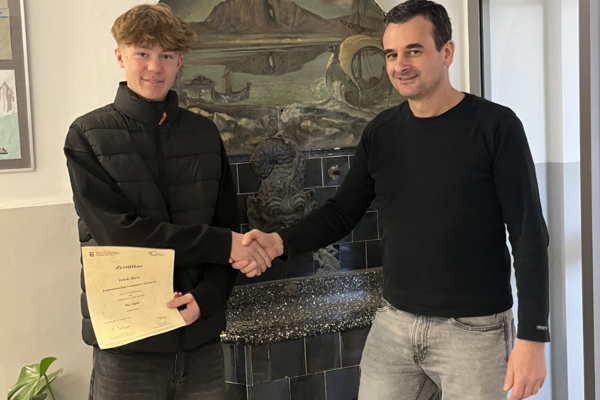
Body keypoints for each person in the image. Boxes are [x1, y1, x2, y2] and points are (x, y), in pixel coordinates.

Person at [235, 1, 549, 399]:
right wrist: (279, 242)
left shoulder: (496, 126)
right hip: (395, 324)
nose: (401, 65)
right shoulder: (380, 132)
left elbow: (528, 233)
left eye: (413, 51)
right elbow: (342, 212)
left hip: (474, 331)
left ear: (447, 52)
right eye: (391, 54)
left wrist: (533, 336)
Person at [64, 4, 271, 399]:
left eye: (167, 55)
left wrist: (207, 298)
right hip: (129, 348)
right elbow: (118, 235)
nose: (154, 68)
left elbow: (228, 229)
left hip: (202, 342)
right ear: (120, 56)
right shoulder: (88, 135)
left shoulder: (205, 133)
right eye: (142, 52)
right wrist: (222, 243)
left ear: (180, 62)